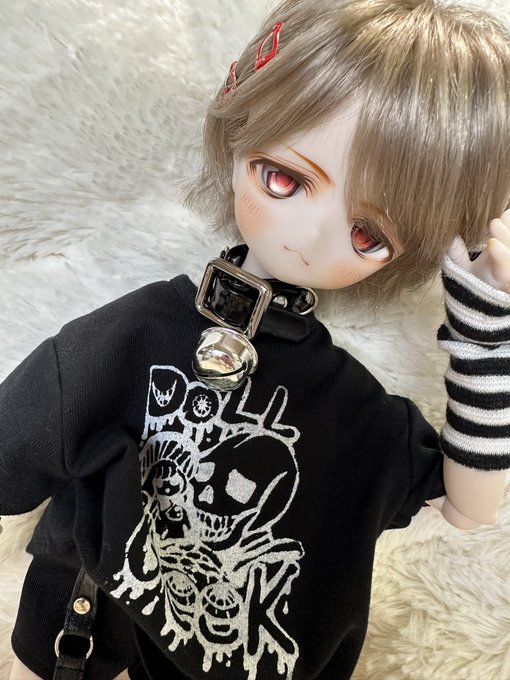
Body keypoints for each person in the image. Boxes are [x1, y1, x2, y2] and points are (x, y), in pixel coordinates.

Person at [3, 0, 510, 678]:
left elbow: (471, 506)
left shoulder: (351, 409)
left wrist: (484, 333)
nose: (309, 235)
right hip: (83, 638)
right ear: (240, 126)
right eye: (284, 179)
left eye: (369, 233)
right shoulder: (139, 332)